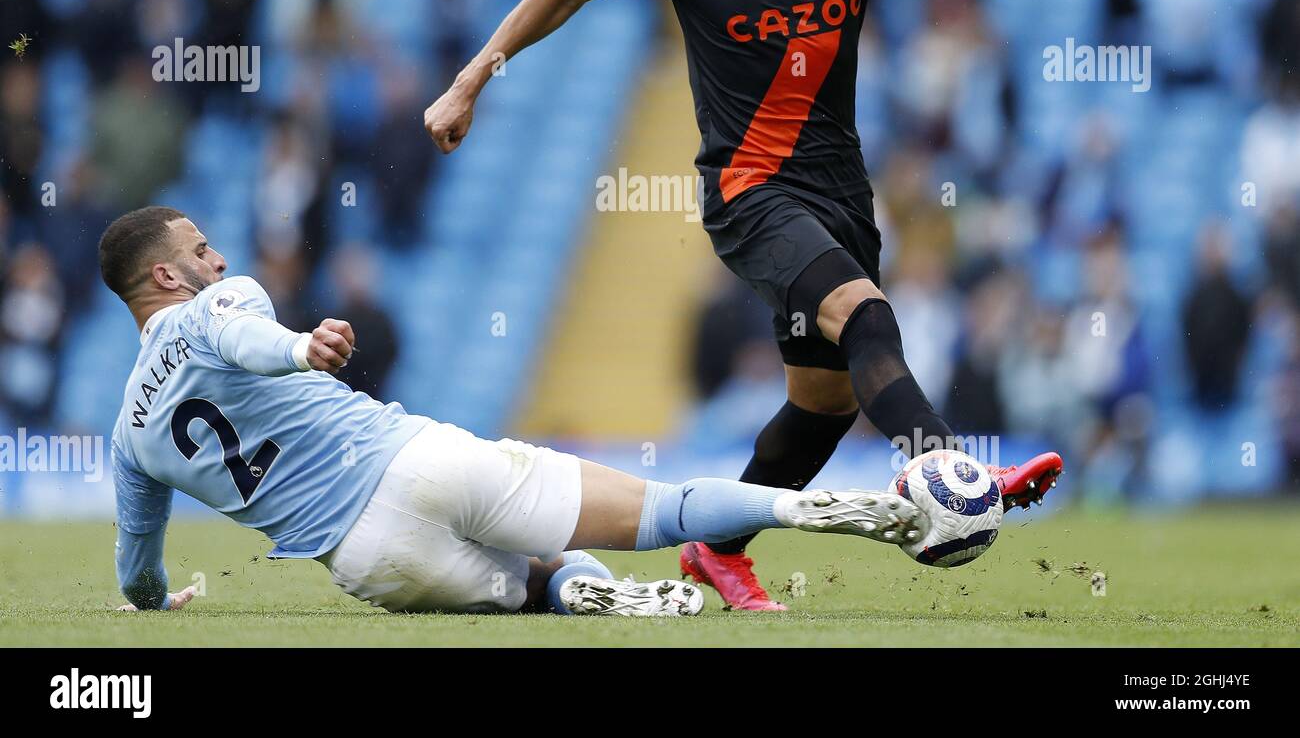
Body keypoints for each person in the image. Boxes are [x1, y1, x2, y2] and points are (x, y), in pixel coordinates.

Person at [423, 0, 1062, 611]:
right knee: (867, 316)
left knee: (826, 404)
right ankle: (957, 474)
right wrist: (471, 80)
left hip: (841, 193)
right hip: (750, 192)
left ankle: (717, 550)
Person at [103, 206, 928, 618]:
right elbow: (241, 335)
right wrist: (301, 348)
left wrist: (157, 603)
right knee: (660, 509)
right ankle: (808, 506)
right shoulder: (219, 304)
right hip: (413, 461)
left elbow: (137, 568)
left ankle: (593, 597)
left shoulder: (130, 439)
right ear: (167, 278)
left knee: (538, 589)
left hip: (368, 560)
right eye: (200, 249)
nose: (218, 257)